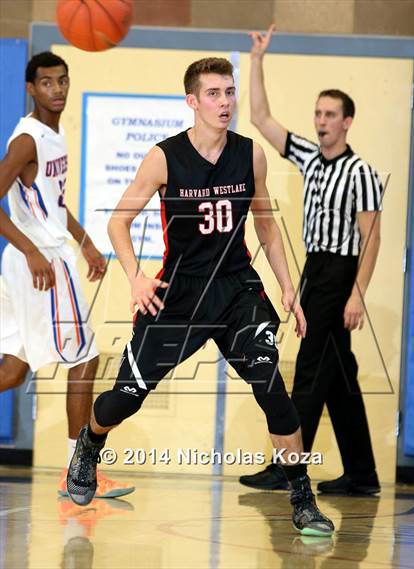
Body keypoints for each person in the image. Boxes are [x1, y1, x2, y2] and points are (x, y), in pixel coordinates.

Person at [67, 56, 334, 536]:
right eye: (214, 94)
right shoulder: (164, 157)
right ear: (192, 101)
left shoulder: (251, 154)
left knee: (273, 390)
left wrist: (288, 287)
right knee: (123, 400)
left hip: (236, 290)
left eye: (229, 92)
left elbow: (267, 226)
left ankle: (301, 496)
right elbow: (117, 221)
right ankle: (90, 442)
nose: (225, 102)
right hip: (178, 294)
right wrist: (135, 277)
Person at [239, 26, 382, 495]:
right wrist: (258, 59)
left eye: (330, 114)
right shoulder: (309, 155)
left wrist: (357, 294)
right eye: (318, 112)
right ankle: (362, 474)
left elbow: (372, 239)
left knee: (308, 372)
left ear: (347, 122)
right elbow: (260, 117)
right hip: (315, 269)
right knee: (339, 379)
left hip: (338, 275)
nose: (321, 120)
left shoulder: (360, 172)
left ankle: (288, 468)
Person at [0, 51, 134, 500]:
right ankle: (78, 471)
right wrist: (33, 249)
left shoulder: (55, 135)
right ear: (30, 88)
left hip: (38, 257)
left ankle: (77, 469)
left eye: (62, 81)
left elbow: (52, 205)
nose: (56, 89)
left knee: (14, 370)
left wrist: (86, 240)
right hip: (41, 264)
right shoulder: (28, 139)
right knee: (85, 357)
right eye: (46, 82)